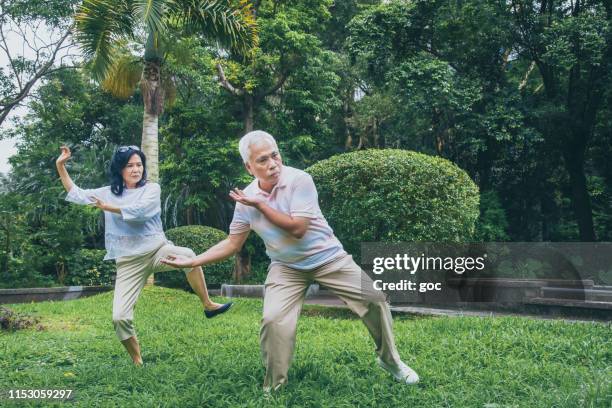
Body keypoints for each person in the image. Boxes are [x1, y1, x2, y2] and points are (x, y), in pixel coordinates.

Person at [161, 130, 419, 390]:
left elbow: (298, 229)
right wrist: (194, 262)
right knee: (274, 321)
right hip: (286, 267)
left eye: (275, 155)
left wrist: (260, 206)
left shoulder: (299, 180)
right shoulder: (246, 200)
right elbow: (232, 243)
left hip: (328, 257)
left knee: (375, 300)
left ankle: (390, 361)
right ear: (249, 167)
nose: (273, 164)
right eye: (263, 160)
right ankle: (273, 386)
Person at [56, 145, 232, 365]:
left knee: (188, 254)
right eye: (130, 165)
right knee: (119, 317)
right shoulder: (108, 192)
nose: (135, 169)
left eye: (139, 164)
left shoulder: (151, 189)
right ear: (120, 169)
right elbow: (76, 193)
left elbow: (141, 212)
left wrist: (109, 208)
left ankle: (207, 304)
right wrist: (60, 165)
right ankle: (137, 360)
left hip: (158, 250)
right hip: (129, 262)